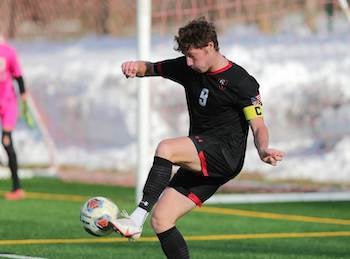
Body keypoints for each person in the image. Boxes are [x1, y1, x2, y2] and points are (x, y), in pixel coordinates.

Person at [112, 17, 284, 258]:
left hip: (225, 155)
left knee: (167, 148)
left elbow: (258, 125)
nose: (189, 63)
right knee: (162, 220)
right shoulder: (188, 67)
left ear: (210, 46)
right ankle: (145, 219)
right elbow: (151, 68)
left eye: (193, 56)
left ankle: (137, 217)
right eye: (186, 56)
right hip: (202, 155)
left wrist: (263, 149)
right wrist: (134, 67)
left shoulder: (241, 82)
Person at [0, 31, 28, 200]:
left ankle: (17, 187)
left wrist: (23, 96)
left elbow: (18, 75)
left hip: (8, 103)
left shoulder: (8, 52)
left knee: (6, 141)